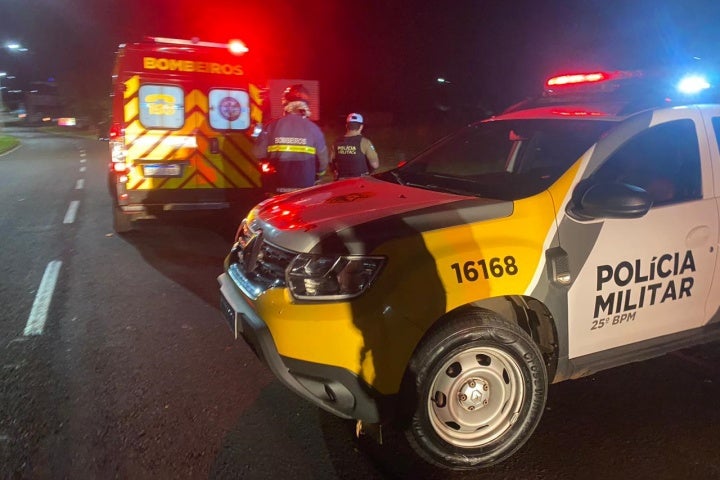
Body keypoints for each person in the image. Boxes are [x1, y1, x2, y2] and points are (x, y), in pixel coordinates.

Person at [254, 84, 329, 194]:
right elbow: (323, 162)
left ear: (285, 104)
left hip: (277, 188)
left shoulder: (271, 127)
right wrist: (318, 175)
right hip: (304, 189)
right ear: (305, 107)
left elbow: (258, 153)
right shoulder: (314, 129)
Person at [331, 113, 380, 180]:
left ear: (346, 126)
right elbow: (375, 165)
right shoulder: (365, 142)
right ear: (361, 127)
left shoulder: (336, 142)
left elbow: (331, 162)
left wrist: (334, 171)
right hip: (360, 181)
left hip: (341, 181)